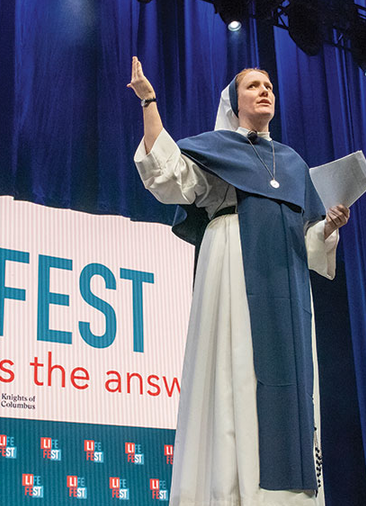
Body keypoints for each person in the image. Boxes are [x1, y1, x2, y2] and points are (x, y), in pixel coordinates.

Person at [128, 56, 350, 506]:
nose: (265, 90)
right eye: (253, 86)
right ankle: (226, 492)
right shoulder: (217, 148)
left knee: (289, 379)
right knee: (235, 371)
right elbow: (167, 175)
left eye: (269, 84)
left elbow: (308, 241)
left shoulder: (292, 162)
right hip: (231, 261)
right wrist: (149, 101)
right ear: (234, 102)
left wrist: (327, 227)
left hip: (286, 280)